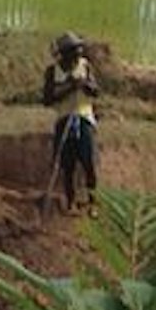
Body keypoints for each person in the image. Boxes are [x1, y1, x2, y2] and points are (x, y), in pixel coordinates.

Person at [41, 32, 100, 209]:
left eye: (79, 52)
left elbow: (96, 91)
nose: (78, 56)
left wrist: (84, 84)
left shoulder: (85, 66)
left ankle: (92, 199)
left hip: (84, 118)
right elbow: (48, 99)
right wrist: (69, 86)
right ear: (64, 55)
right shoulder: (53, 72)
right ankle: (70, 200)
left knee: (88, 161)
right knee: (67, 165)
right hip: (64, 118)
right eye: (74, 53)